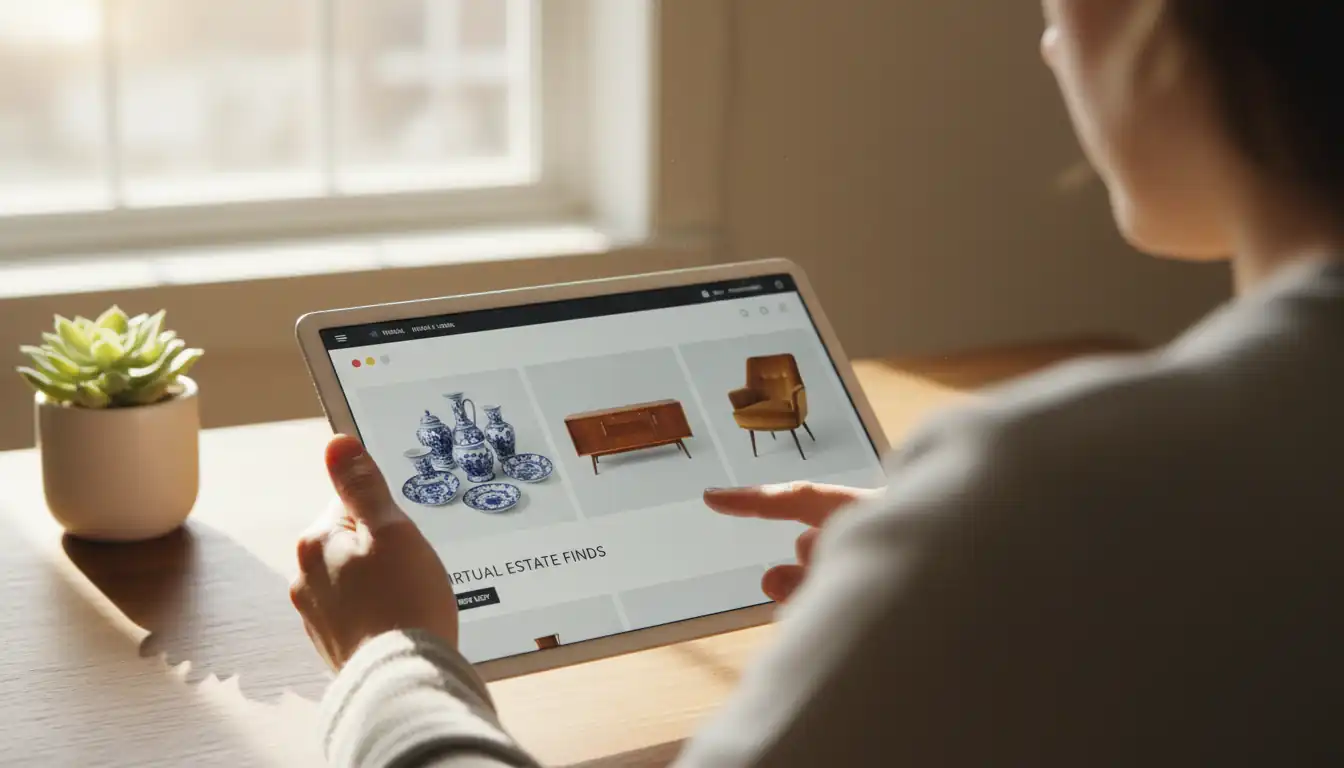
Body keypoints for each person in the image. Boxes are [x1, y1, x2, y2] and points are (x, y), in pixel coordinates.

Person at [289, 2, 1344, 765]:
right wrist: (944, 564)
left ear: (1164, 28)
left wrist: (392, 655)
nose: (1049, 38)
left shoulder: (1049, 495)